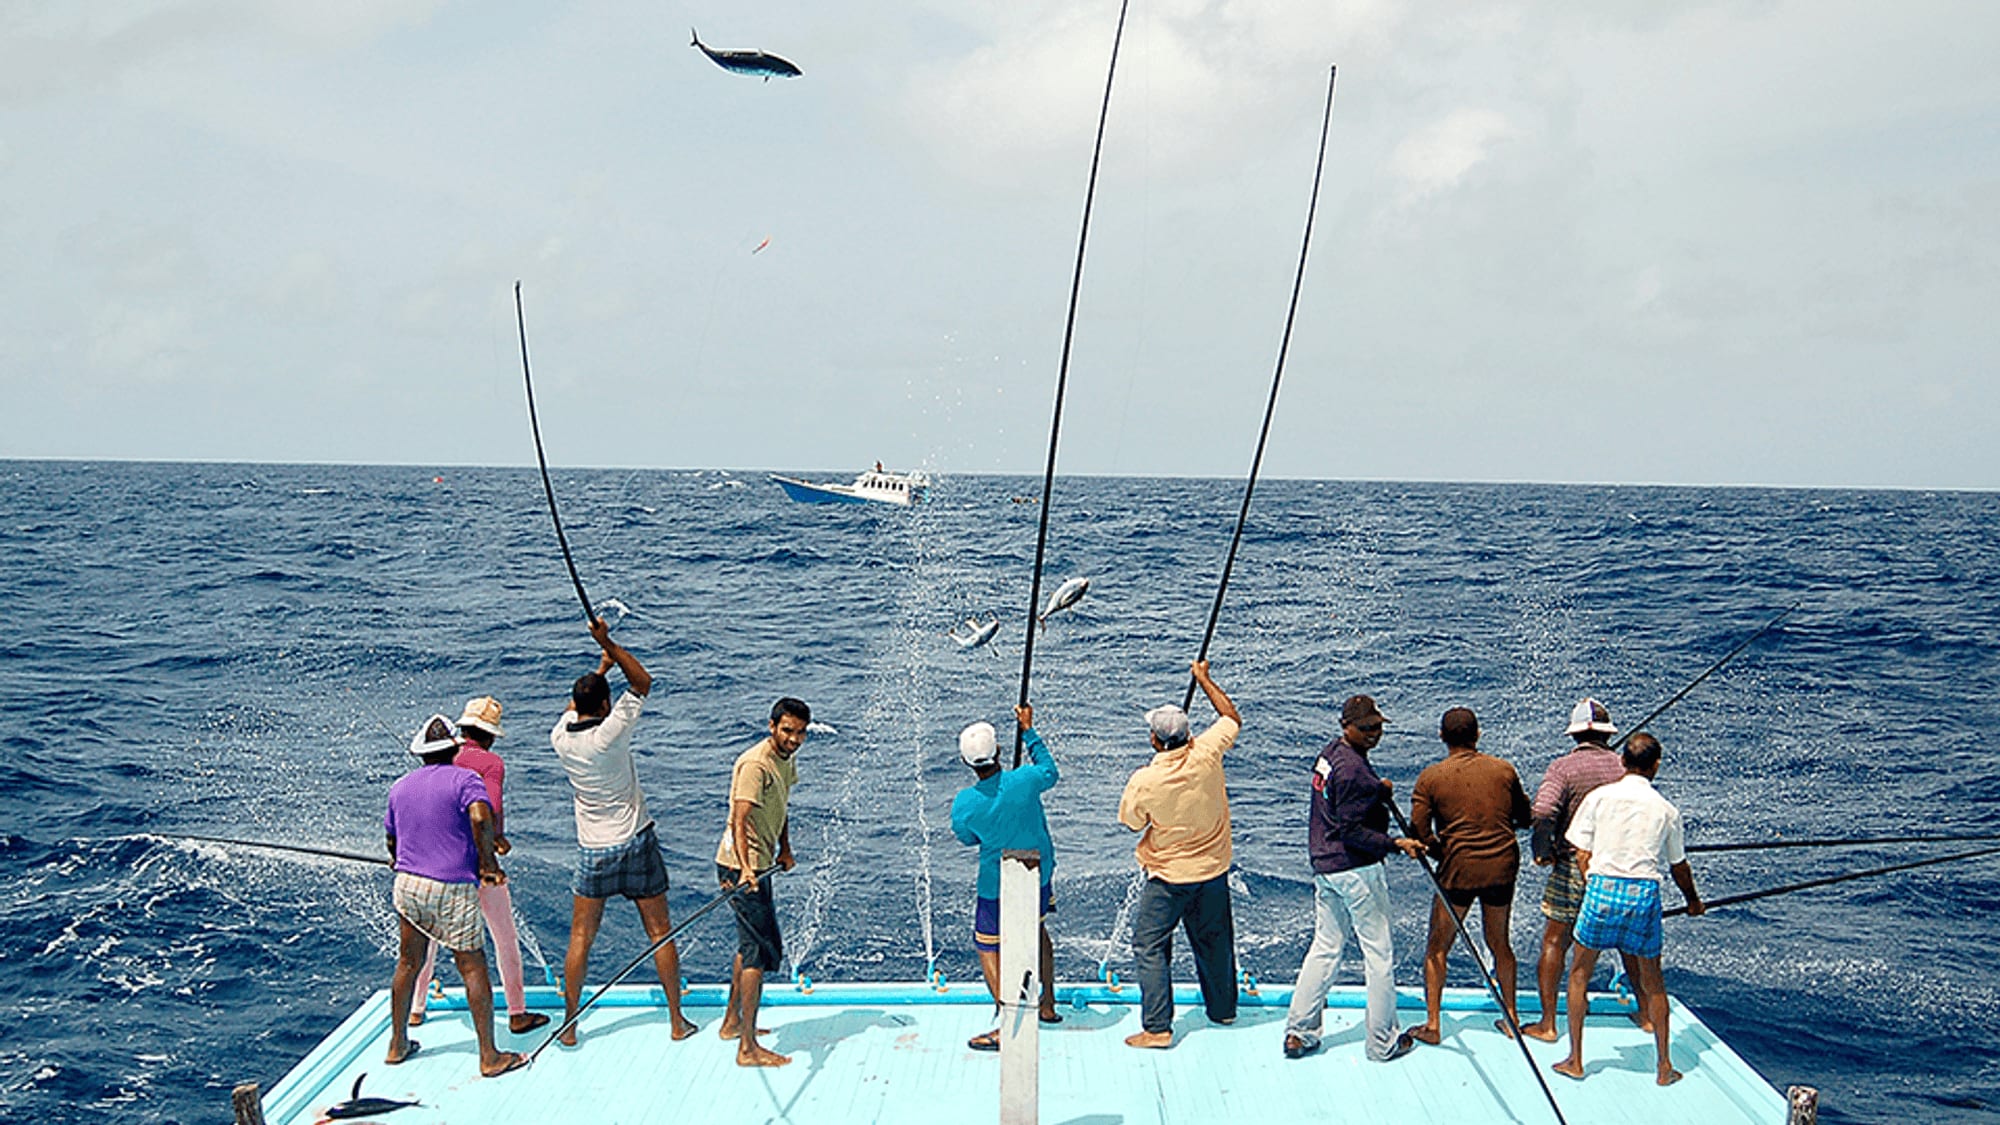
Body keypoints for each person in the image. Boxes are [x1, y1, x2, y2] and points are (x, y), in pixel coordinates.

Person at [548, 618, 696, 1047]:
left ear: (575, 705)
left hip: (591, 850)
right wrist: (608, 642)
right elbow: (644, 682)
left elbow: (580, 701)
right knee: (659, 932)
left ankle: (570, 1026)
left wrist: (601, 665)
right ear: (606, 703)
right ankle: (676, 1022)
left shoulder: (560, 736)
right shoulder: (608, 735)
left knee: (581, 939)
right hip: (635, 842)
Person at [1551, 732, 1705, 1085]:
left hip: (1602, 888)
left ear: (1622, 762)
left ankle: (1575, 1059)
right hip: (1644, 893)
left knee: (1579, 975)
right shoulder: (1666, 809)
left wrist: (1592, 880)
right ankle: (1664, 1067)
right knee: (1654, 983)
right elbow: (1678, 865)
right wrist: (1693, 901)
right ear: (1656, 766)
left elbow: (1580, 851)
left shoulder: (1599, 797)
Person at [1283, 694, 1426, 1062]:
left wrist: (1378, 792)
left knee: (1326, 946)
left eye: (1378, 727)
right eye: (1366, 729)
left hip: (1325, 866)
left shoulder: (1331, 754)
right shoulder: (1354, 773)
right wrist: (1396, 843)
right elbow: (1352, 832)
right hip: (1356, 871)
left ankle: (1299, 1032)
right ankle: (1383, 1043)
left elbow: (1347, 800)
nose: (1374, 734)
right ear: (1347, 726)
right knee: (1379, 955)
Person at [383, 715, 525, 1078]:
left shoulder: (399, 787)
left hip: (408, 885)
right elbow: (481, 817)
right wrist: (489, 863)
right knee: (472, 966)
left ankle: (398, 1044)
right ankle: (489, 1057)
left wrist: (398, 857)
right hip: (451, 887)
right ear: (452, 749)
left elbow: (391, 841)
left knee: (408, 963)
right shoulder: (466, 779)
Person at [1117, 661, 1241, 1049]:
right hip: (1214, 871)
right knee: (1215, 942)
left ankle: (1157, 1027)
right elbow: (1230, 716)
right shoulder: (1207, 752)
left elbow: (1132, 823)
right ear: (1189, 735)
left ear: (1155, 741)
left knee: (1148, 943)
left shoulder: (1145, 780)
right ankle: (1222, 1010)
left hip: (1169, 878)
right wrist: (1204, 679)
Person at [409, 696, 550, 1035]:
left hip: (438, 865)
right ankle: (517, 1013)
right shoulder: (490, 763)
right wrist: (497, 841)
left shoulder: (439, 758)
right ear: (488, 735)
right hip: (479, 865)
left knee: (426, 942)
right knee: (504, 939)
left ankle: (416, 1009)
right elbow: (489, 810)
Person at [1521, 698, 1646, 1043]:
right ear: (1607, 734)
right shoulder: (1625, 768)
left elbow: (1544, 811)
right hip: (1620, 868)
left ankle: (1548, 1024)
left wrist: (1542, 851)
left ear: (1575, 734)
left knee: (1555, 940)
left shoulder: (1562, 768)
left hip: (1573, 865)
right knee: (1628, 943)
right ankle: (1648, 1016)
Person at [1407, 707, 1533, 1044]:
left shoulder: (1430, 777)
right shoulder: (1504, 770)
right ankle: (1512, 1018)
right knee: (1500, 944)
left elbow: (1418, 831)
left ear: (1442, 737)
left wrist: (1439, 851)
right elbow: (1524, 815)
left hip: (1457, 871)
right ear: (1477, 735)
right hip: (1502, 867)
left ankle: (1433, 1026)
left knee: (1437, 947)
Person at [949, 704, 1063, 1051]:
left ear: (967, 763)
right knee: (1038, 930)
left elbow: (967, 837)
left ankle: (1007, 1018)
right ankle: (1047, 1005)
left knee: (988, 945)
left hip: (995, 886)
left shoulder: (965, 802)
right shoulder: (1026, 779)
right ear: (998, 751)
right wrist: (1028, 730)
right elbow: (1049, 771)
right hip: (1038, 875)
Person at [715, 697, 811, 1067]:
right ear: (772, 727)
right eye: (787, 731)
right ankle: (748, 1048)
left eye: (800, 732)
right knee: (757, 953)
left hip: (759, 862)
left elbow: (781, 805)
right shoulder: (756, 764)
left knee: (749, 945)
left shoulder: (785, 759)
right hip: (740, 869)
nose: (794, 738)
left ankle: (732, 1023)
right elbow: (739, 819)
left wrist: (784, 849)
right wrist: (745, 869)